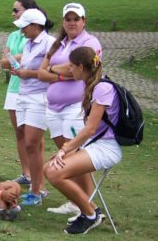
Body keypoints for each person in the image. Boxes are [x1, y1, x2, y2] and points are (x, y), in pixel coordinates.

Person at [44, 47, 121, 234]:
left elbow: (90, 129)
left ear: (79, 67)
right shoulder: (92, 86)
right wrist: (68, 149)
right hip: (95, 144)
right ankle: (91, 211)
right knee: (49, 168)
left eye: (71, 66)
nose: (69, 69)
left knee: (54, 172)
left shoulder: (102, 88)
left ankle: (89, 214)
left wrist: (66, 149)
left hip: (106, 148)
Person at [38, 3, 102, 214]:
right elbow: (41, 72)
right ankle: (77, 201)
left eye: (76, 19)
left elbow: (74, 68)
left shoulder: (90, 42)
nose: (72, 23)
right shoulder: (59, 43)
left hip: (76, 106)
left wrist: (54, 70)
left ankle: (87, 205)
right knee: (65, 155)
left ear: (84, 21)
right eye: (68, 19)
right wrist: (62, 72)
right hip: (54, 108)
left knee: (75, 155)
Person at [10, 9, 55, 206]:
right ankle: (37, 187)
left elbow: (52, 71)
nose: (22, 32)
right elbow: (28, 68)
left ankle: (37, 190)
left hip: (40, 97)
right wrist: (20, 71)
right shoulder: (28, 44)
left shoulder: (50, 43)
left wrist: (29, 73)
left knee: (31, 144)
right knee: (28, 141)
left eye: (25, 27)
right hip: (24, 95)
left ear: (36, 26)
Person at [0, 0, 43, 185]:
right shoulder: (14, 35)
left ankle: (37, 177)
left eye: (16, 10)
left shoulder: (40, 36)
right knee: (19, 132)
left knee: (34, 135)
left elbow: (36, 59)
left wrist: (15, 58)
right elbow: (3, 62)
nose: (13, 13)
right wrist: (19, 59)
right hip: (14, 88)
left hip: (33, 89)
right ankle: (26, 173)